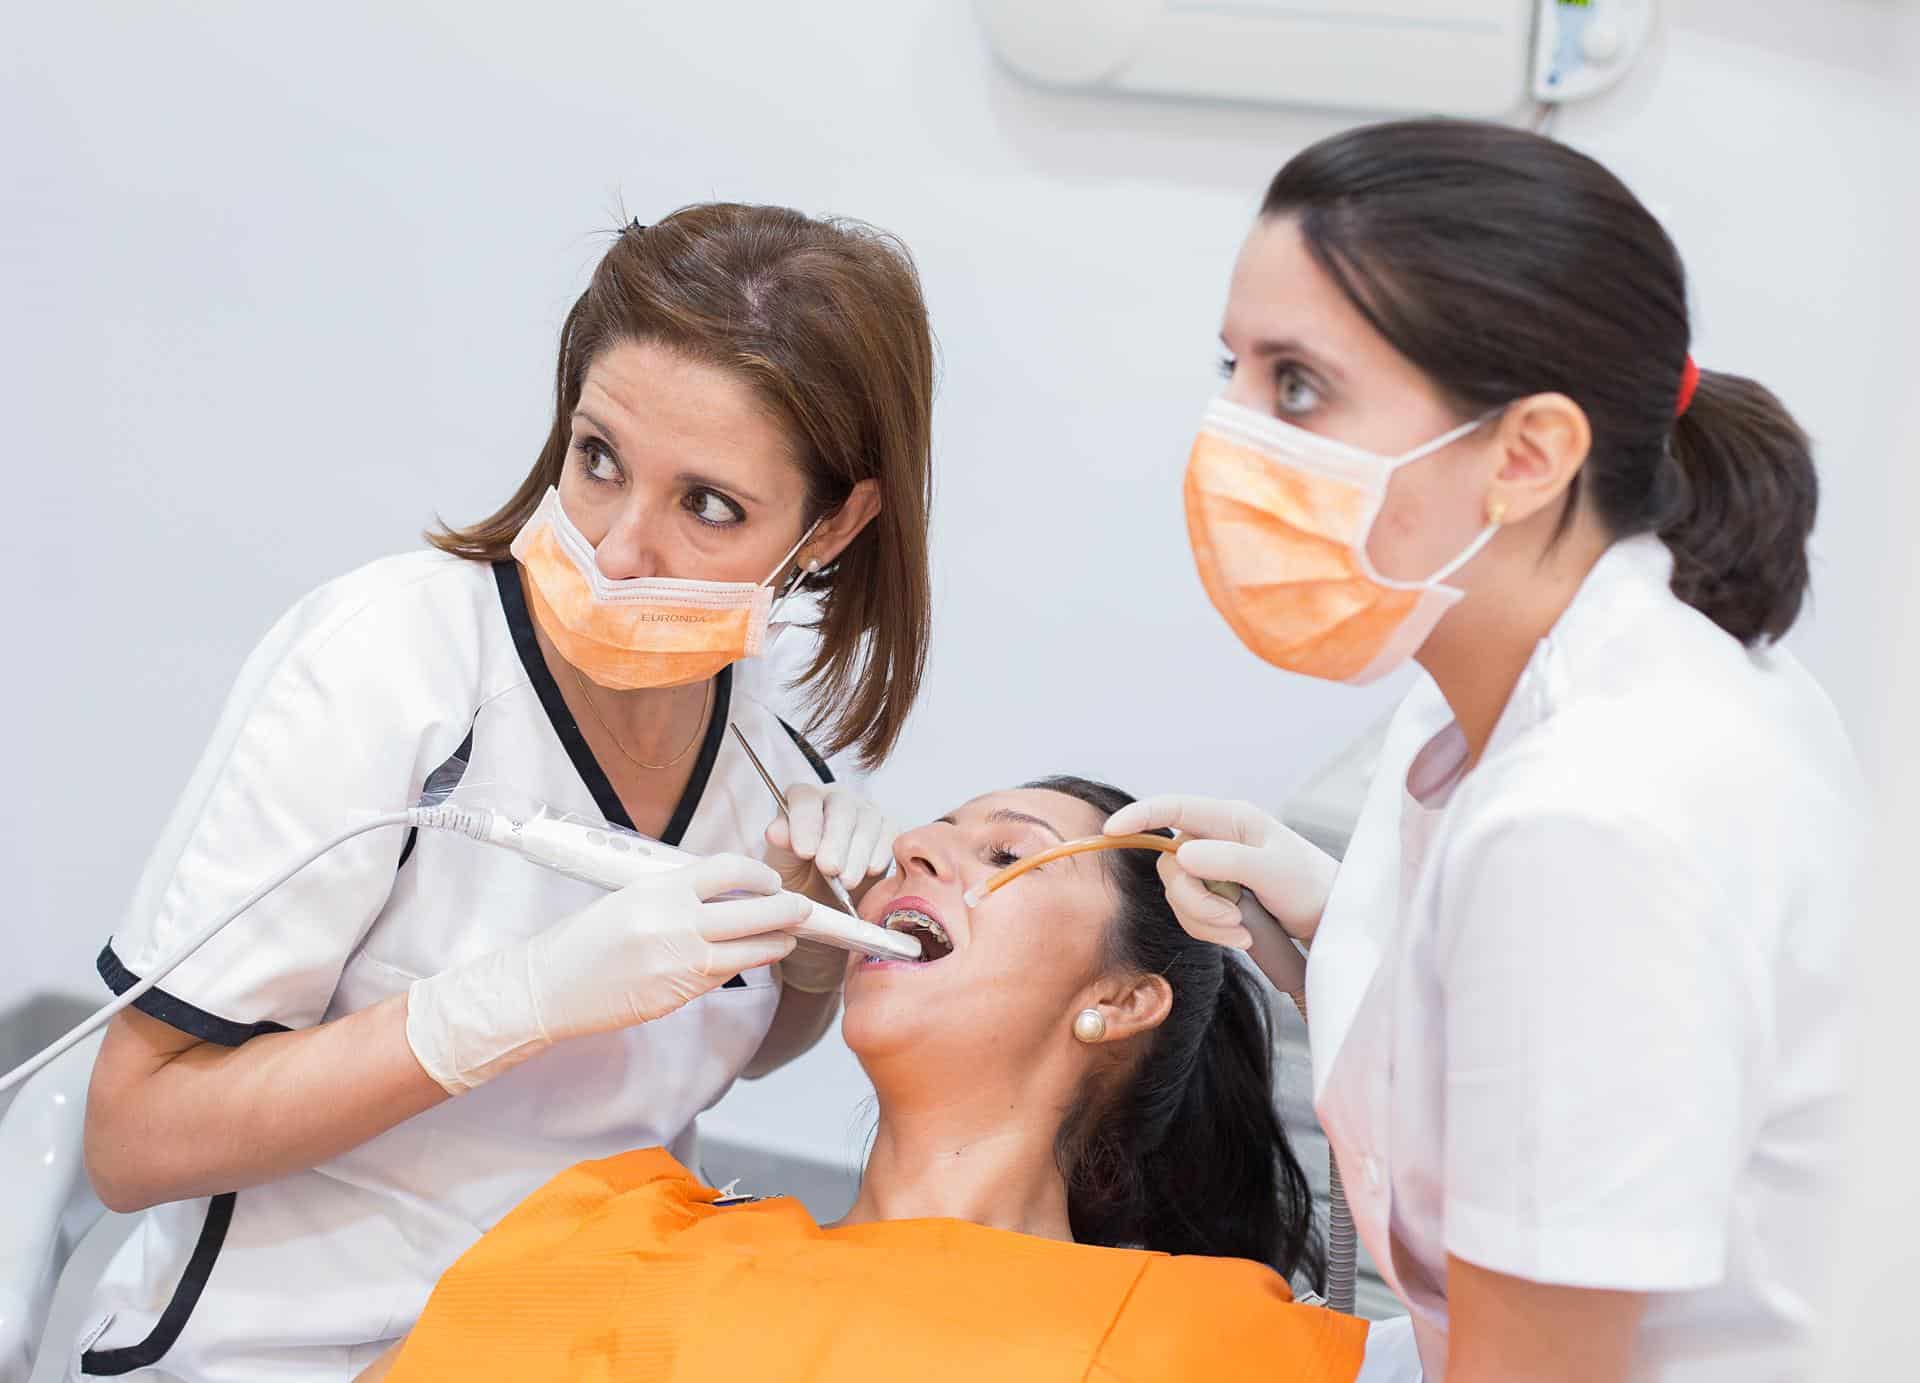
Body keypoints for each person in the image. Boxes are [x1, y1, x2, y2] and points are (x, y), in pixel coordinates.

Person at [73, 203, 936, 1379]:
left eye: (709, 506)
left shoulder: (773, 773)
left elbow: (743, 1050)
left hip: (574, 1342)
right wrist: (509, 1006)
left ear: (834, 525)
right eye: (598, 459)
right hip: (280, 1350)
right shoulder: (392, 665)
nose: (617, 547)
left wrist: (810, 954)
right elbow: (132, 1138)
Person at [1108, 120, 1865, 1381]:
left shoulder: (1600, 815)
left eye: (1297, 387)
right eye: (1233, 368)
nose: (1230, 438)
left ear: (1528, 455)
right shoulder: (1518, 671)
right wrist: (1343, 926)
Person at [354, 778, 1420, 1382]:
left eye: (1005, 854)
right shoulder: (608, 1227)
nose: (914, 848)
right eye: (931, 834)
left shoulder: (1217, 1340)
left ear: (1122, 999)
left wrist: (1356, 966)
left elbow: (1512, 1316)